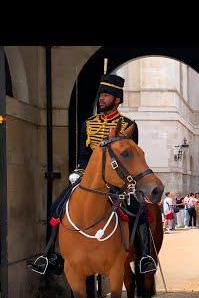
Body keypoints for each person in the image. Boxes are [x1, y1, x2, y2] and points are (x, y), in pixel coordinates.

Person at [31, 73, 156, 275]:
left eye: (106, 95)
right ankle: (51, 256)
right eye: (101, 95)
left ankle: (143, 257)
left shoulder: (128, 125)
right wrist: (80, 171)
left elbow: (130, 157)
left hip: (117, 180)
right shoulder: (89, 124)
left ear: (117, 99)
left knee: (139, 210)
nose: (101, 99)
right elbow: (84, 154)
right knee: (57, 207)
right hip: (89, 177)